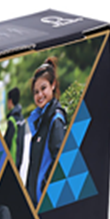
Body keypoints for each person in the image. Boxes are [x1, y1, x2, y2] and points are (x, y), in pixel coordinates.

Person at [25, 57, 67, 206]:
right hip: (34, 203)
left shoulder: (55, 119)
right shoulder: (40, 121)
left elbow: (60, 161)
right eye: (36, 92)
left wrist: (46, 189)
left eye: (43, 88)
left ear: (53, 85)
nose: (39, 95)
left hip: (46, 202)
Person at [5, 87, 26, 173]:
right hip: (19, 159)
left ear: (10, 101)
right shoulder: (21, 118)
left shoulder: (12, 120)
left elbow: (7, 142)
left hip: (11, 161)